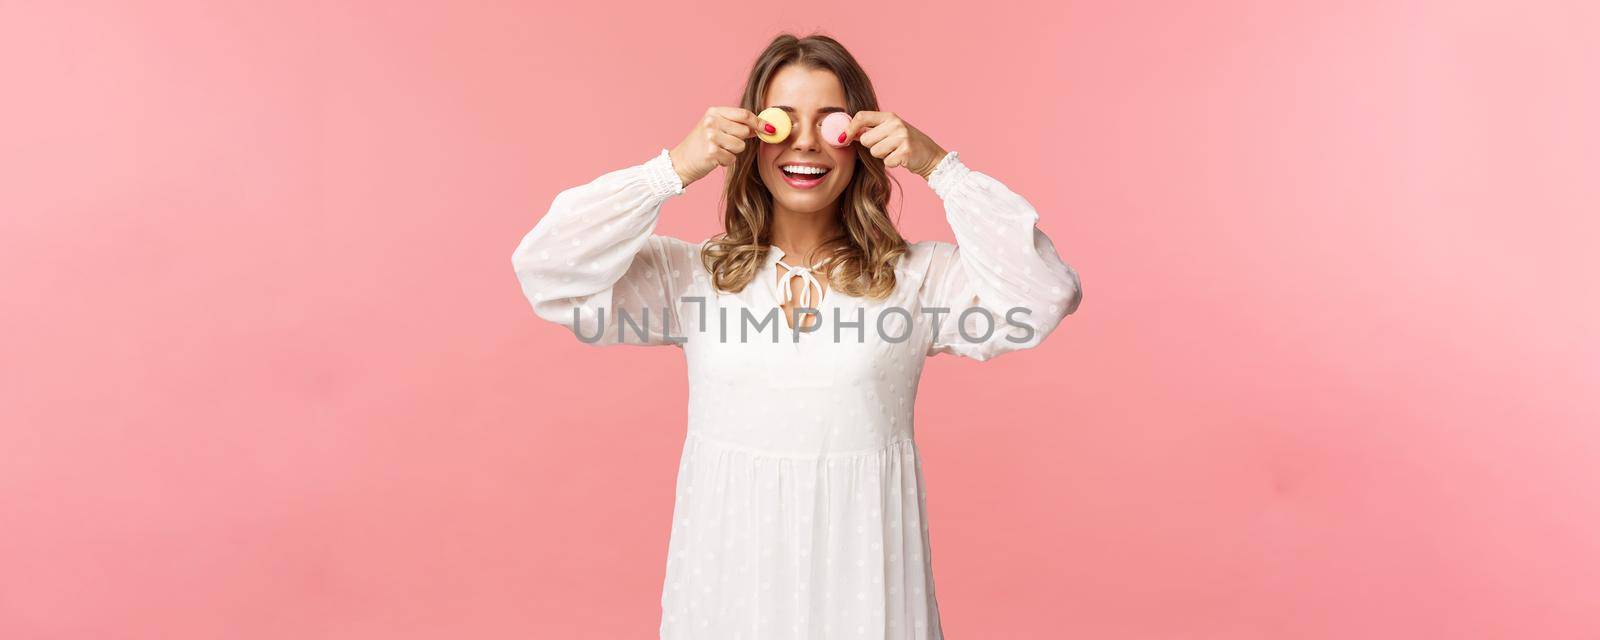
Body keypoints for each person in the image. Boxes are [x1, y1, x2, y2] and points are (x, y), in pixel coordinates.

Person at [511, 32, 1082, 640]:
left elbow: (1043, 296)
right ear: (752, 137)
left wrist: (942, 169)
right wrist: (671, 170)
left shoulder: (918, 279)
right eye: (784, 122)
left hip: (866, 584)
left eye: (829, 121)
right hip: (727, 587)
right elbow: (549, 270)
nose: (806, 141)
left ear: (861, 141)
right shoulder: (693, 277)